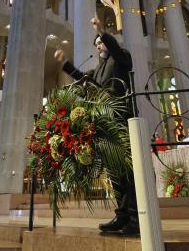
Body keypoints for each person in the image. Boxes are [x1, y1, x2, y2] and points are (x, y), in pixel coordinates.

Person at [54, 17, 138, 235]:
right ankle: (121, 216)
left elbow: (116, 50)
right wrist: (65, 64)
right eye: (97, 44)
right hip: (106, 121)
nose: (98, 46)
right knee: (114, 170)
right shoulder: (99, 69)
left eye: (100, 42)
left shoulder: (122, 58)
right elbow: (84, 80)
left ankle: (135, 217)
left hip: (122, 116)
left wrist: (102, 31)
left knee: (128, 170)